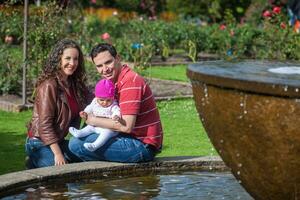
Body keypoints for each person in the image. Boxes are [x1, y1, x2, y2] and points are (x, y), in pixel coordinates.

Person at [69, 43, 163, 163]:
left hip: (142, 146)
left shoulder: (130, 82)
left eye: (108, 62)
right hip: (129, 138)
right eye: (99, 66)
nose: (105, 69)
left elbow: (127, 126)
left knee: (76, 144)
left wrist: (91, 120)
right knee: (81, 139)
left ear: (117, 58)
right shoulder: (113, 82)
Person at [25, 39, 91, 168]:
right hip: (39, 142)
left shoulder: (74, 85)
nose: (72, 63)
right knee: (62, 173)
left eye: (76, 59)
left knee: (87, 159)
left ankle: (34, 163)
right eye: (67, 58)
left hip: (59, 141)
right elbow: (45, 126)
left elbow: (93, 102)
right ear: (58, 59)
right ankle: (34, 160)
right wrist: (58, 154)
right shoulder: (49, 85)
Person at [69, 79, 121, 152]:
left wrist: (116, 116)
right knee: (89, 128)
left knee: (106, 134)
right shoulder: (95, 102)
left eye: (108, 100)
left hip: (108, 128)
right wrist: (85, 112)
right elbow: (90, 107)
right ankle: (79, 133)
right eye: (102, 100)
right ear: (97, 97)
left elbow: (117, 111)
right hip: (95, 126)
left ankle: (94, 145)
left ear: (112, 98)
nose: (105, 103)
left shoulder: (113, 105)